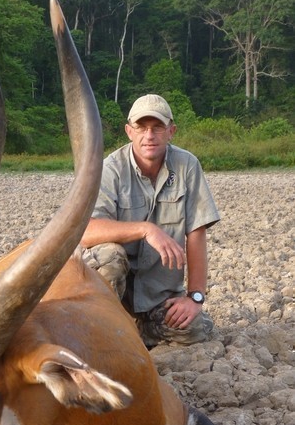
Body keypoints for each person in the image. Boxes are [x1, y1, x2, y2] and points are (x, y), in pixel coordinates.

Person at [81, 94, 219, 348]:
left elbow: (197, 233)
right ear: (129, 131)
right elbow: (86, 231)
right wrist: (145, 229)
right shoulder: (109, 170)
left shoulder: (187, 166)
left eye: (157, 127)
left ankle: (136, 332)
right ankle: (104, 330)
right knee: (110, 255)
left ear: (171, 131)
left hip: (157, 297)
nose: (149, 135)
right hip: (113, 296)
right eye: (141, 127)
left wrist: (195, 298)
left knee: (196, 329)